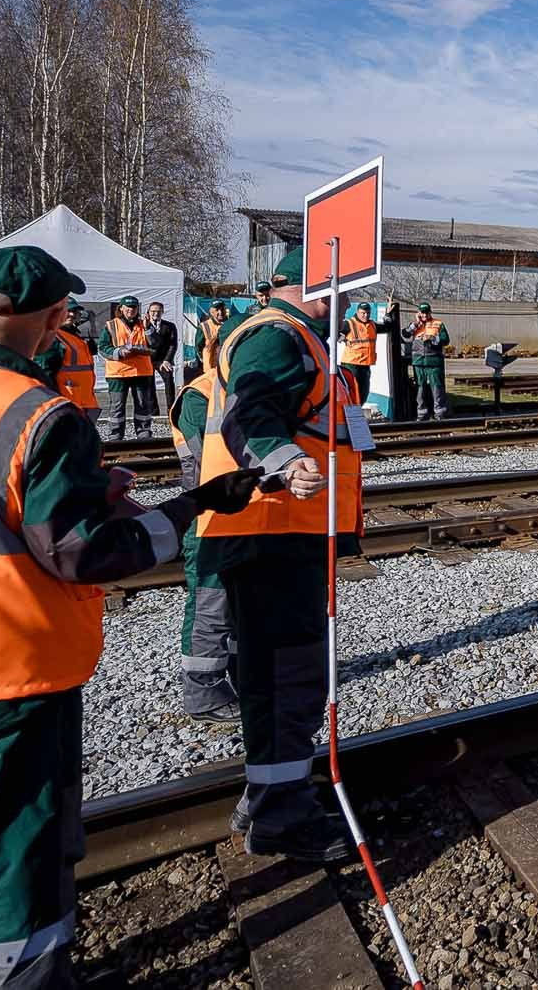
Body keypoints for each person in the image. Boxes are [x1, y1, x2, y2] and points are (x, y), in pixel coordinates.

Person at [0, 245, 257, 990]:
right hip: (4, 673)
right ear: (52, 320)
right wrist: (191, 507)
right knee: (25, 839)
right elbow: (87, 553)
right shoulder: (40, 412)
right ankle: (28, 978)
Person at [193, 246, 365, 861]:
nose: (351, 297)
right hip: (271, 527)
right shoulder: (277, 335)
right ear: (314, 285)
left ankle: (268, 796)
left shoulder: (305, 340)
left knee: (279, 675)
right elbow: (251, 411)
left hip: (282, 528)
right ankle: (280, 817)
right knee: (286, 676)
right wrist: (287, 461)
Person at [168, 373, 236, 723]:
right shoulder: (200, 394)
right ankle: (204, 693)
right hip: (209, 517)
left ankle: (243, 676)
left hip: (241, 513)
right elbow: (213, 458)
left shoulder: (236, 383)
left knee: (240, 603)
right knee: (211, 605)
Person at [98, 296, 154, 439]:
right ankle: (115, 435)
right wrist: (119, 352)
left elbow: (155, 344)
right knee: (117, 407)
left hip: (141, 372)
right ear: (121, 308)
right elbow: (103, 347)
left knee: (143, 405)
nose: (131, 310)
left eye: (134, 307)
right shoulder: (111, 325)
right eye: (128, 307)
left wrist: (148, 328)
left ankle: (144, 434)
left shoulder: (145, 324)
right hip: (118, 373)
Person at [35, 303, 99, 418]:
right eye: (68, 311)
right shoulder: (53, 337)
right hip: (66, 402)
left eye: (75, 311)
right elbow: (45, 373)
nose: (72, 314)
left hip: (82, 400)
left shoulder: (74, 336)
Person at [402, 302, 450, 421]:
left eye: (426, 313)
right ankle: (422, 413)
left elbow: (446, 340)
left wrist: (433, 338)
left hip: (434, 361)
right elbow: (405, 334)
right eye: (422, 313)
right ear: (418, 313)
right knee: (420, 387)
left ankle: (440, 413)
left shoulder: (438, 324)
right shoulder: (415, 325)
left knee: (437, 387)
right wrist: (415, 324)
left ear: (430, 313)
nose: (424, 315)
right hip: (419, 361)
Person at [144, 300, 180, 415]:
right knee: (149, 386)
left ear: (163, 312)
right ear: (148, 312)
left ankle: (171, 411)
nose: (156, 314)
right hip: (148, 359)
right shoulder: (143, 325)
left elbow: (173, 345)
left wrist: (167, 360)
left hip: (163, 359)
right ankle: (153, 412)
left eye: (158, 311)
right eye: (153, 311)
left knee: (169, 383)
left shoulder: (169, 326)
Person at [340, 302, 377, 399]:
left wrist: (388, 315)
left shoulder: (372, 325)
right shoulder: (349, 323)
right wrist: (343, 339)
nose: (366, 315)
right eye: (363, 313)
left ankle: (358, 411)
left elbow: (387, 326)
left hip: (365, 365)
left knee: (363, 393)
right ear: (357, 312)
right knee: (352, 392)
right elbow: (334, 331)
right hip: (351, 365)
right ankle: (351, 413)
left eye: (368, 313)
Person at [198, 298, 230, 375]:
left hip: (227, 365)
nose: (220, 312)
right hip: (211, 367)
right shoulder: (204, 326)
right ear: (211, 311)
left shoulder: (231, 324)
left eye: (222, 309)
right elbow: (199, 346)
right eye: (217, 310)